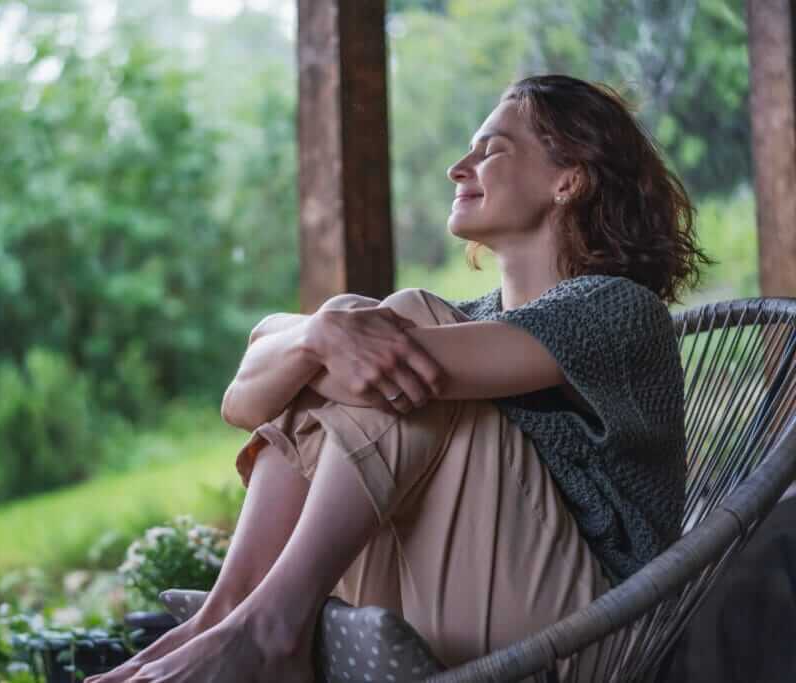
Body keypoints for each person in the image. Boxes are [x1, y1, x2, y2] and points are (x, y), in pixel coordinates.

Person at [87, 74, 712, 683]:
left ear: (569, 179)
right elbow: (241, 402)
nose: (458, 167)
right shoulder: (472, 321)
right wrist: (315, 334)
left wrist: (323, 337)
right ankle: (230, 615)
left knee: (391, 326)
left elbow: (344, 374)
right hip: (455, 600)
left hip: (586, 632)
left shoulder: (617, 310)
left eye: (491, 149)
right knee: (361, 330)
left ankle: (267, 627)